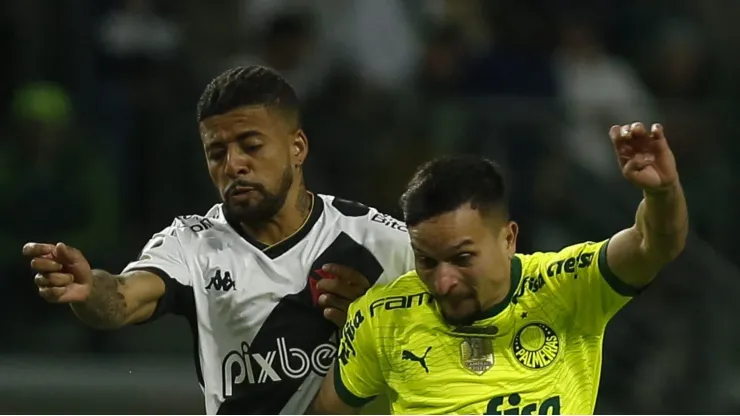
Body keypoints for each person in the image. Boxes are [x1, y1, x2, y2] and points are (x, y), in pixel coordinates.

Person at [22, 65, 415, 414]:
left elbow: (470, 312)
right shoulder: (193, 244)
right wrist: (90, 290)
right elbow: (122, 298)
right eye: (216, 152)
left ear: (297, 147)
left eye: (251, 145)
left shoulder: (379, 242)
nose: (233, 165)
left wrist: (382, 323)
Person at [310, 122, 688, 415]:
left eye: (462, 259)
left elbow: (650, 244)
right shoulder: (381, 316)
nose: (442, 282)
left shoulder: (565, 286)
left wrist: (661, 192)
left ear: (508, 239)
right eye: (426, 260)